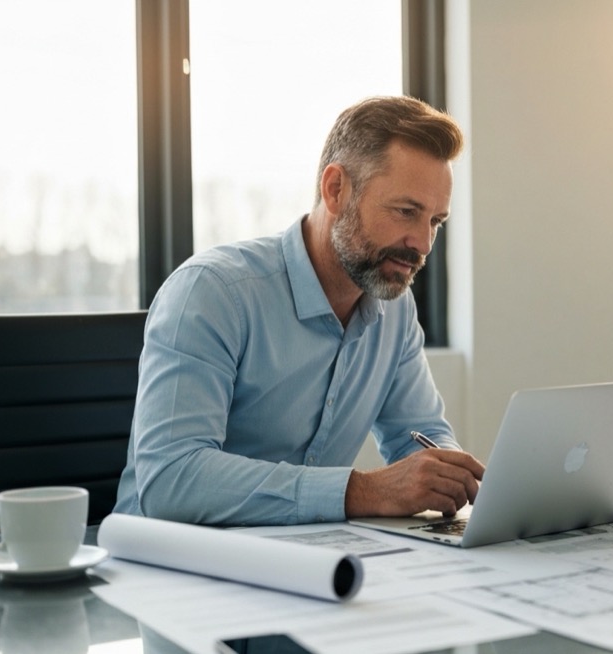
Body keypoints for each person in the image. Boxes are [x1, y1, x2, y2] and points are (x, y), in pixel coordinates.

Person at [114, 96, 484, 526]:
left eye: (436, 221)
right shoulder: (212, 293)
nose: (422, 243)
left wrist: (447, 471)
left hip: (305, 561)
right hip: (166, 567)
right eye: (406, 212)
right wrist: (365, 490)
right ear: (336, 190)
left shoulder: (394, 309)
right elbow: (171, 480)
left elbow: (417, 434)